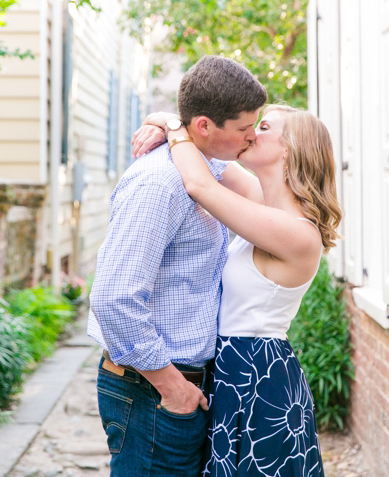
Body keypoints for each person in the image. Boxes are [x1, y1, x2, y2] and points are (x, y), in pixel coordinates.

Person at [132, 103, 342, 476]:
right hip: (232, 367)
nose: (249, 133)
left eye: (262, 127)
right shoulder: (261, 204)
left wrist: (171, 128)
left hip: (259, 375)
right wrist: (163, 121)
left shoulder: (298, 234)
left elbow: (199, 183)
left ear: (290, 148)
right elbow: (202, 145)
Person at [87, 55, 267, 477]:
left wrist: (168, 121)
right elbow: (113, 298)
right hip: (152, 388)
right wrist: (173, 388)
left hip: (176, 384)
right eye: (244, 129)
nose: (251, 139)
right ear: (205, 126)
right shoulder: (158, 184)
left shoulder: (208, 166)